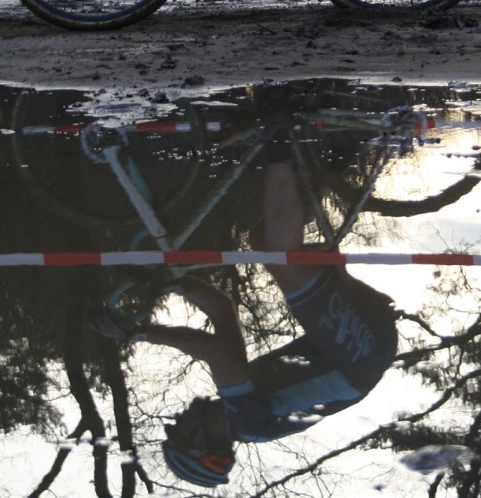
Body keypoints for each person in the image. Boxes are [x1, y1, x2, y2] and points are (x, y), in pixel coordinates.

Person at [93, 158, 398, 489]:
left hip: (361, 351)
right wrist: (138, 332)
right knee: (279, 255)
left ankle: (334, 162)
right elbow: (215, 351)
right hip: (359, 355)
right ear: (199, 441)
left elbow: (223, 312)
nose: (178, 418)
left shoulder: (243, 403)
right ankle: (279, 152)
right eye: (178, 430)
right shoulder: (246, 422)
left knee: (263, 239)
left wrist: (177, 284)